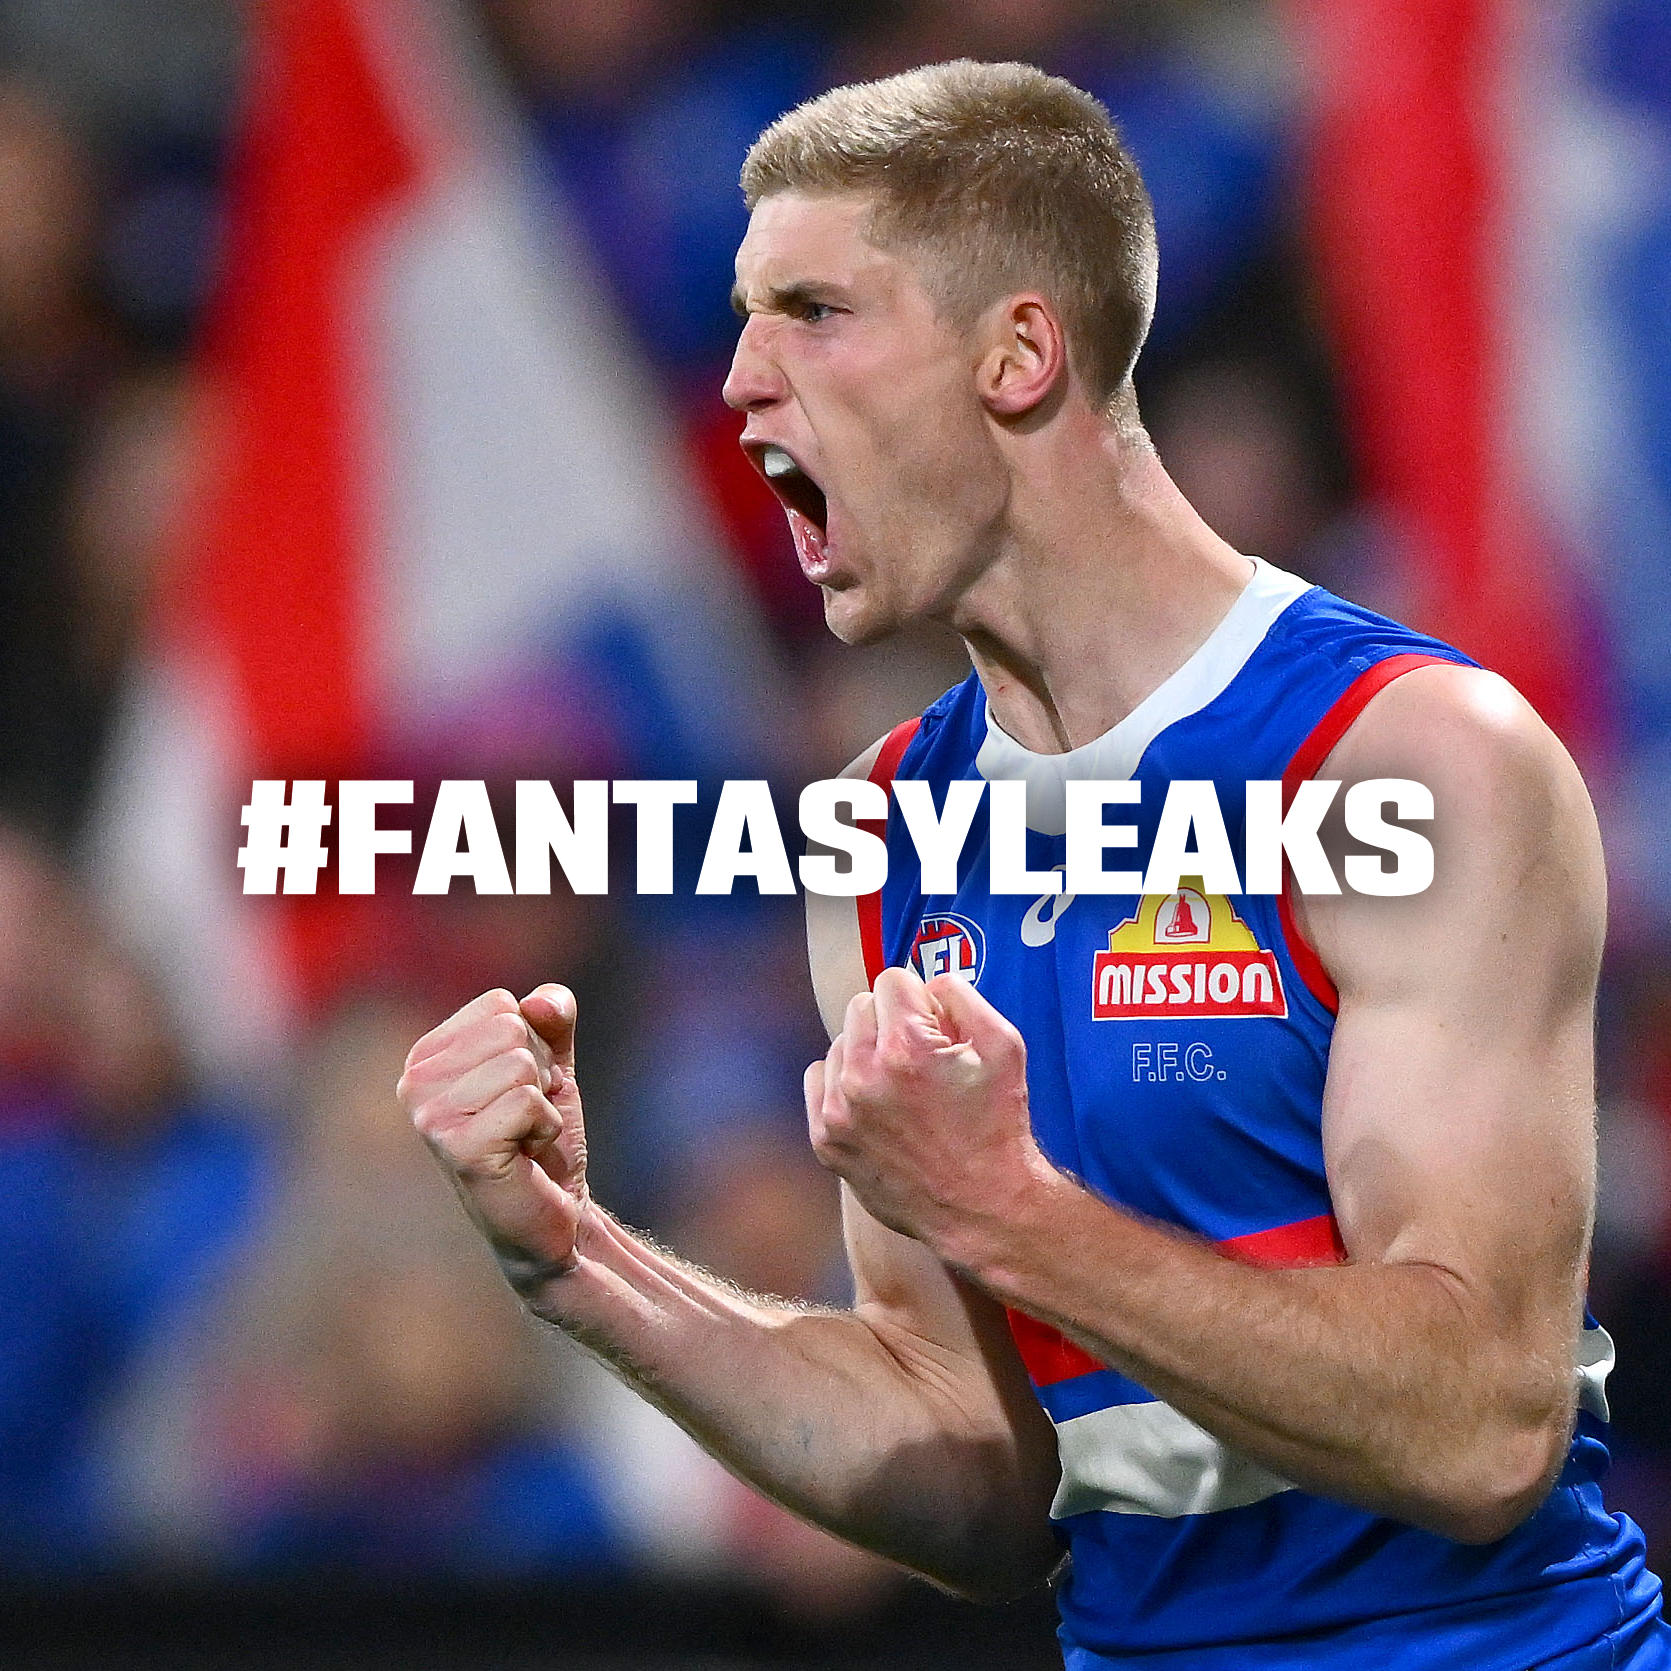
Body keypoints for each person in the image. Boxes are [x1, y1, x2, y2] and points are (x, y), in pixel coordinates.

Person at [398, 60, 1670, 1667]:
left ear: (1016, 354)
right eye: (740, 318)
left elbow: (1479, 1429)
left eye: (813, 312)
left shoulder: (1405, 759)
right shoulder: (880, 834)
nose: (736, 381)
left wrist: (1009, 1209)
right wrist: (579, 1261)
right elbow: (988, 1476)